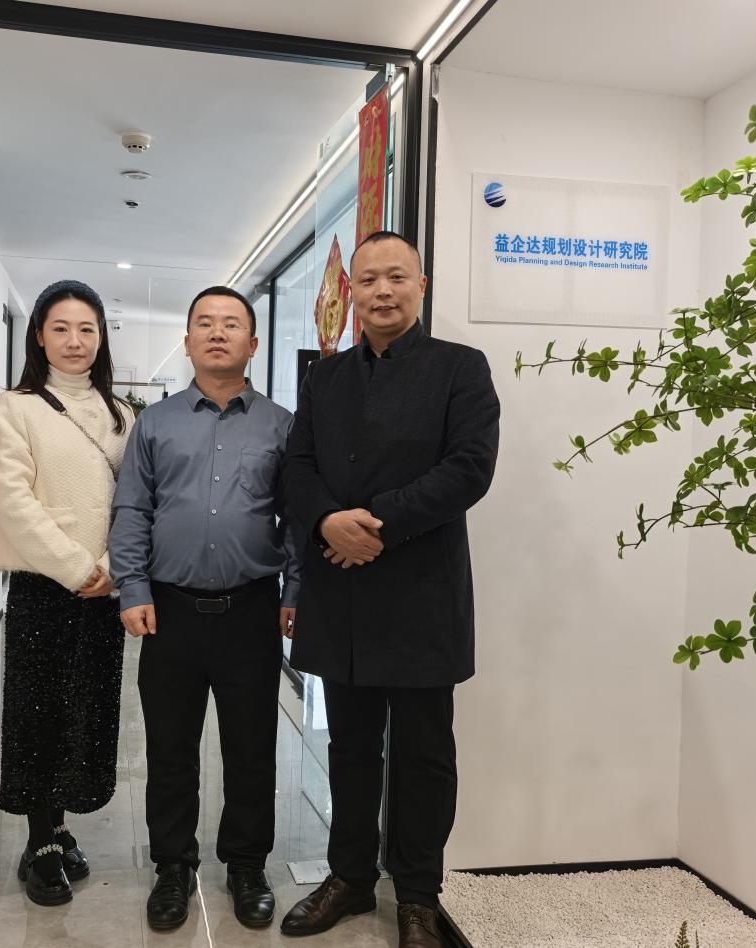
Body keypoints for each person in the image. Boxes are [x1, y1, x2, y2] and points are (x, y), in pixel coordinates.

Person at [278, 232, 500, 948]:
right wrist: (327, 521)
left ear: (420, 286)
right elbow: (297, 467)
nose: (382, 291)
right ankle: (348, 877)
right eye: (368, 279)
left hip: (421, 592)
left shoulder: (460, 368)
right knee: (348, 746)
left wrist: (373, 526)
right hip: (340, 591)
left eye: (396, 277)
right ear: (351, 293)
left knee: (424, 755)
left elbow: (469, 468)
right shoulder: (326, 378)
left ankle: (417, 896)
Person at [109, 285, 301, 932]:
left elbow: (297, 519)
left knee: (252, 748)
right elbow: (132, 508)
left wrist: (295, 591)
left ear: (253, 342)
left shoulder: (281, 426)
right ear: (188, 341)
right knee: (170, 750)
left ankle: (246, 866)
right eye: (205, 324)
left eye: (232, 324)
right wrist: (133, 588)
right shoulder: (156, 424)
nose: (218, 333)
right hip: (170, 611)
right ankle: (172, 866)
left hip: (251, 610)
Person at [0, 279, 134, 906]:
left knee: (85, 710)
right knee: (37, 711)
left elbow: (136, 501)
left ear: (101, 337)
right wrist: (78, 568)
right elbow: (14, 501)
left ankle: (60, 824)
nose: (75, 341)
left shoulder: (121, 413)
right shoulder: (16, 407)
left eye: (87, 329)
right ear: (39, 336)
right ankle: (40, 841)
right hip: (45, 587)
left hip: (106, 590)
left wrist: (111, 566)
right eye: (61, 328)